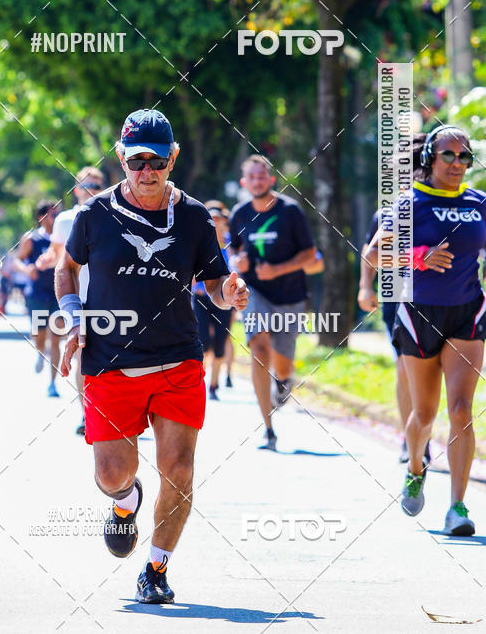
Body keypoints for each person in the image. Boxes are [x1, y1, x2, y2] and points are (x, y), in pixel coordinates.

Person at [56, 108, 248, 603]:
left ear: (172, 159)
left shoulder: (194, 217)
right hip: (108, 362)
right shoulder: (95, 214)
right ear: (121, 158)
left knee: (179, 470)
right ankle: (125, 501)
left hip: (177, 360)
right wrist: (74, 319)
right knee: (111, 475)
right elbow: (66, 269)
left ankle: (156, 569)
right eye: (136, 160)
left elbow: (214, 284)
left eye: (157, 161)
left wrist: (228, 292)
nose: (147, 171)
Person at [366, 124, 486, 536]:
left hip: (467, 313)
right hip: (419, 315)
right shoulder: (409, 203)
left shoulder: (478, 203)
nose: (457, 163)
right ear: (429, 160)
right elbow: (374, 254)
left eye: (464, 156)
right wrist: (419, 256)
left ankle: (457, 507)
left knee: (461, 410)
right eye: (448, 155)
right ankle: (416, 469)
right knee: (424, 414)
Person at [229, 155, 318, 451]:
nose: (257, 182)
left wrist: (278, 270)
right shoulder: (240, 214)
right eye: (252, 177)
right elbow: (233, 251)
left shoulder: (290, 211)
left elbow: (310, 254)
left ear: (271, 179)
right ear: (245, 182)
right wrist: (238, 262)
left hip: (291, 296)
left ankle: (283, 381)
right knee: (258, 349)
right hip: (255, 292)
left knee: (282, 364)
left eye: (262, 176)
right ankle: (267, 429)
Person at [357, 133, 431, 464]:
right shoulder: (387, 213)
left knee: (429, 373)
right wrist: (365, 286)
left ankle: (422, 431)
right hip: (398, 295)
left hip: (440, 298)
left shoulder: (441, 208)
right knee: (404, 368)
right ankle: (412, 439)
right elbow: (369, 251)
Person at [36, 167, 105, 434]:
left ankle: (109, 414)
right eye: (88, 186)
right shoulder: (65, 220)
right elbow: (57, 255)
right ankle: (87, 416)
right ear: (77, 190)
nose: (93, 190)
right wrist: (45, 261)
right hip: (77, 298)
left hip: (108, 298)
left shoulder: (113, 215)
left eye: (97, 186)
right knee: (82, 359)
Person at [15, 200, 60, 397]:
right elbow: (17, 261)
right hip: (37, 294)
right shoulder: (31, 238)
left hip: (58, 294)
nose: (56, 217)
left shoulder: (62, 237)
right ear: (41, 217)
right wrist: (27, 269)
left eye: (57, 213)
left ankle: (53, 383)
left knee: (56, 339)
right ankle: (40, 353)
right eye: (52, 214)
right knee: (40, 336)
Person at [191, 201, 233, 400]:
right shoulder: (198, 240)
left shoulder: (232, 244)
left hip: (224, 300)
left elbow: (238, 266)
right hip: (200, 298)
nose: (215, 222)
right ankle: (200, 378)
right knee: (203, 342)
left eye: (219, 219)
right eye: (212, 218)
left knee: (220, 343)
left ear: (224, 222)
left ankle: (214, 385)